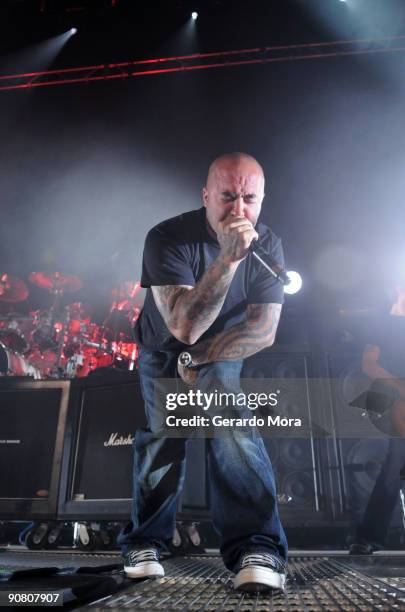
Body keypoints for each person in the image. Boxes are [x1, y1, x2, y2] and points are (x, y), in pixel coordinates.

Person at [118, 152, 288, 591]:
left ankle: (258, 547)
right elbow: (184, 326)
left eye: (249, 199)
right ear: (206, 195)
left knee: (228, 418)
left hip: (220, 348)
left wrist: (202, 358)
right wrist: (228, 260)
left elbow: (265, 330)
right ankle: (145, 542)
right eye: (228, 197)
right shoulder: (167, 237)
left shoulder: (268, 243)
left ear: (263, 199)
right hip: (163, 344)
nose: (238, 211)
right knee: (163, 438)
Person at [349, 285, 405, 554]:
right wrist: (399, 385)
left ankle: (369, 536)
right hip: (397, 398)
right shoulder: (381, 324)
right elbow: (368, 365)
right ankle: (369, 536)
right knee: (396, 463)